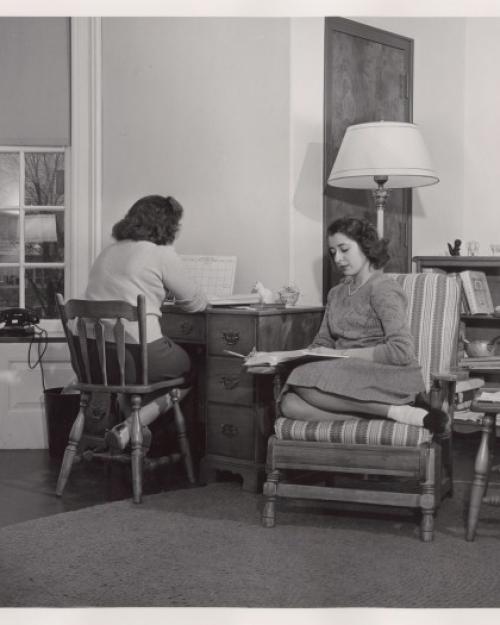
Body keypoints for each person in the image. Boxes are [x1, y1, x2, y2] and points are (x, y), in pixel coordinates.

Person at [279, 216, 446, 433]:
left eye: (344, 249)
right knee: (289, 404)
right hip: (344, 374)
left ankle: (396, 409)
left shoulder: (383, 288)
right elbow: (322, 341)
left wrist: (339, 355)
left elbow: (401, 351)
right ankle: (389, 414)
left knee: (302, 379)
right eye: (333, 252)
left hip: (386, 375)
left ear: (366, 246)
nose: (337, 258)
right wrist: (283, 360)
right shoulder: (336, 292)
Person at [83, 194, 208, 449]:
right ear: (166, 224)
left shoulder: (107, 252)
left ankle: (134, 433)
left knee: (140, 374)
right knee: (192, 368)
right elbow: (196, 304)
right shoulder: (160, 252)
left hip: (93, 360)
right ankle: (132, 427)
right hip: (133, 357)